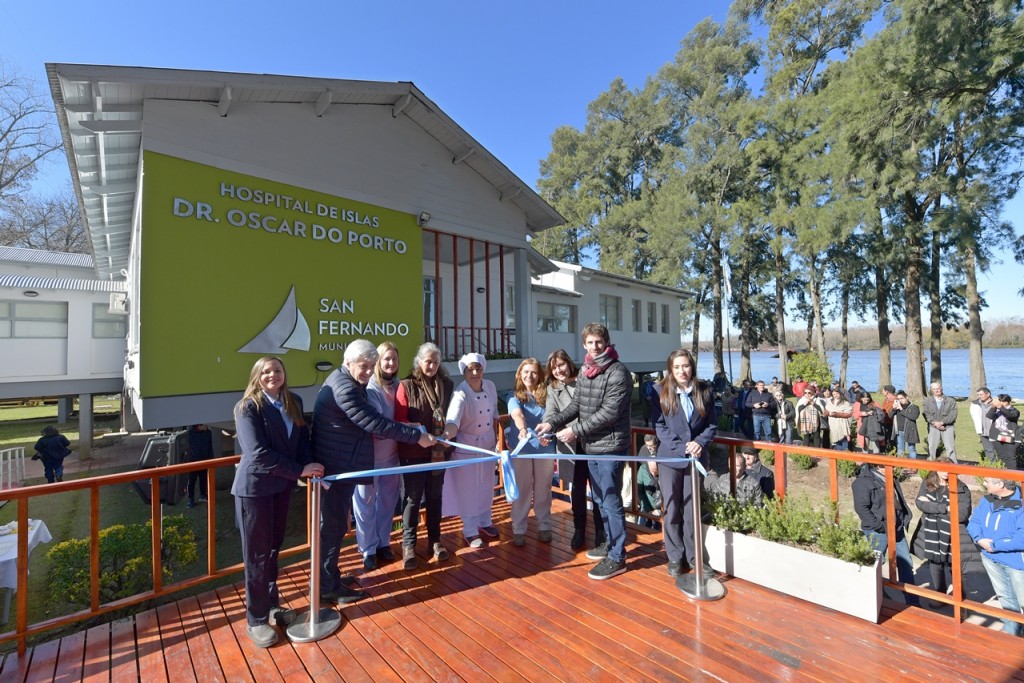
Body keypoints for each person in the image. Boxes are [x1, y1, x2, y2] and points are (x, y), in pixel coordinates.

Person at [312, 340, 431, 599]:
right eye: (363, 366)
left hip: (341, 464)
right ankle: (327, 588)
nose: (368, 371)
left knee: (335, 527)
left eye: (371, 366)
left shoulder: (345, 380)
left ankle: (329, 577)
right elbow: (375, 423)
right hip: (336, 468)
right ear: (348, 362)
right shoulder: (346, 388)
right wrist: (417, 436)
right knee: (332, 527)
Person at [231, 356, 324, 648]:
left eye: (278, 370)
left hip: (281, 488)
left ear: (285, 374)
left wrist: (310, 465)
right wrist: (299, 470)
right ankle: (256, 620)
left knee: (273, 549)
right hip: (255, 490)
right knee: (256, 556)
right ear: (257, 376)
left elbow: (301, 440)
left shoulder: (293, 402)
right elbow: (258, 453)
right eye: (266, 371)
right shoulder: (248, 407)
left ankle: (271, 606)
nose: (273, 375)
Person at [537, 323, 632, 581]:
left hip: (611, 447)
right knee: (600, 499)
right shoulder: (585, 371)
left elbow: (610, 413)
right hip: (592, 447)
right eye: (590, 342)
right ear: (584, 345)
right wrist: (551, 423)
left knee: (611, 501)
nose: (595, 346)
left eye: (599, 341)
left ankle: (617, 557)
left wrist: (575, 431)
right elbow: (576, 405)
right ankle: (609, 544)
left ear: (607, 342)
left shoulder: (618, 372)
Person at [650, 348, 717, 579]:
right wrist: (682, 448)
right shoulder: (659, 391)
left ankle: (694, 557)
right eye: (677, 367)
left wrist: (699, 443)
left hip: (696, 459)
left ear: (692, 367)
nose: (682, 371)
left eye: (685, 366)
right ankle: (675, 557)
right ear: (671, 369)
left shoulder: (705, 391)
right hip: (671, 458)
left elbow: (712, 425)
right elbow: (659, 426)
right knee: (672, 508)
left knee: (691, 510)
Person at [395, 342, 455, 569]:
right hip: (413, 451)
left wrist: (448, 433)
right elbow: (399, 419)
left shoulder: (446, 384)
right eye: (428, 361)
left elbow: (453, 415)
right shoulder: (406, 385)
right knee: (412, 498)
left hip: (438, 452)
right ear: (419, 362)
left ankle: (435, 540)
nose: (431, 366)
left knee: (435, 496)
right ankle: (408, 544)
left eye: (435, 362)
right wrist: (418, 433)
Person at [545, 349, 605, 550]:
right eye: (554, 368)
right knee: (577, 489)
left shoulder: (585, 378)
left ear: (569, 363)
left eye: (561, 365)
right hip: (571, 446)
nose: (558, 370)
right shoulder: (553, 389)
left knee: (598, 488)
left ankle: (601, 530)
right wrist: (550, 428)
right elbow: (550, 413)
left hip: (594, 441)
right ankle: (579, 529)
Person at [353, 342, 403, 570]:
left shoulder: (399, 385)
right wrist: (410, 429)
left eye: (394, 359)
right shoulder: (371, 387)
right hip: (368, 458)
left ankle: (383, 542)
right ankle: (367, 549)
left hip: (392, 456)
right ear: (378, 362)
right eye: (386, 359)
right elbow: (379, 425)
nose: (391, 363)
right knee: (365, 504)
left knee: (388, 502)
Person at [442, 352, 500, 548]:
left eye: (478, 368)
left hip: (488, 445)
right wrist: (447, 435)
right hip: (467, 447)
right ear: (464, 372)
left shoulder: (490, 386)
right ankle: (470, 530)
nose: (474, 373)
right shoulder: (460, 393)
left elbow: (494, 415)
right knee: (468, 489)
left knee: (486, 485)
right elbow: (453, 420)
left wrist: (496, 440)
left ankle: (485, 522)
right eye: (470, 370)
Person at [852, 462, 920, 606]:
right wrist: (879, 526)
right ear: (877, 467)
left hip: (897, 529)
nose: (893, 468)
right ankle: (876, 596)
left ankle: (913, 602)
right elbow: (861, 508)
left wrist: (903, 518)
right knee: (876, 564)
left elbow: (897, 500)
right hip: (879, 531)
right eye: (888, 466)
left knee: (906, 563)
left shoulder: (890, 478)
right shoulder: (862, 482)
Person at [507, 358, 556, 546]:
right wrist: (522, 429)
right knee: (523, 488)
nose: (530, 376)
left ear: (540, 375)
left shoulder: (548, 395)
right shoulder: (514, 396)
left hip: (545, 448)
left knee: (543, 488)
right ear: (520, 374)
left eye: (534, 372)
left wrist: (548, 434)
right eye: (526, 372)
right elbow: (517, 414)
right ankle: (519, 528)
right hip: (521, 449)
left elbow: (553, 417)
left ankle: (544, 525)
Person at [968, 476, 1024, 636]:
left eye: (987, 481)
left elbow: (1021, 538)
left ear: (1000, 484)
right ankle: (1012, 628)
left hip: (1016, 563)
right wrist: (979, 539)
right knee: (1005, 596)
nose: (984, 484)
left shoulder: (1020, 504)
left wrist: (994, 546)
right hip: (991, 559)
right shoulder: (987, 500)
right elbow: (974, 522)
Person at [911, 457, 971, 600]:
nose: (945, 473)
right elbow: (920, 503)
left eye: (949, 469)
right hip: (932, 531)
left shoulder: (961, 488)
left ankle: (960, 598)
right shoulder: (928, 483)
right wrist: (946, 508)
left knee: (954, 566)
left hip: (952, 533)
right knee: (935, 562)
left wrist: (932, 507)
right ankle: (940, 595)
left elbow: (962, 514)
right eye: (942, 469)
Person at [922, 382, 958, 461]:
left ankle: (953, 465)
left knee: (950, 448)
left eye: (938, 388)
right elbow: (926, 414)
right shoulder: (927, 401)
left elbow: (953, 415)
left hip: (948, 427)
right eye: (934, 389)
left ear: (941, 388)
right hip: (933, 427)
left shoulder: (951, 401)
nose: (936, 390)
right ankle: (930, 465)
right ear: (931, 390)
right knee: (931, 447)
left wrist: (942, 423)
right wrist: (936, 424)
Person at [986, 394, 1020, 470]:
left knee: (1010, 457)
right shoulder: (997, 411)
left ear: (1008, 402)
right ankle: (1003, 474)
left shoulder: (1014, 410)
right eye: (999, 401)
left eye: (1002, 401)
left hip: (1011, 438)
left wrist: (1000, 407)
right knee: (1001, 457)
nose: (1000, 403)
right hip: (997, 437)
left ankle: (1013, 475)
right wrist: (993, 407)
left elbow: (1010, 415)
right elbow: (989, 416)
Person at [637, 435, 663, 529]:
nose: (649, 448)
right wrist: (648, 510)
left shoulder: (662, 451)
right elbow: (639, 491)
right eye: (647, 445)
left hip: (662, 508)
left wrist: (660, 510)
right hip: (647, 505)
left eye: (651, 446)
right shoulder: (643, 468)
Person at [186, 424, 214, 508]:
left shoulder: (208, 433)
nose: (206, 426)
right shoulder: (190, 433)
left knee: (203, 478)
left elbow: (210, 447)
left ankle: (203, 495)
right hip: (192, 461)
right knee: (191, 481)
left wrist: (210, 460)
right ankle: (190, 499)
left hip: (204, 460)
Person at [889, 390, 922, 459]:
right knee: (900, 449)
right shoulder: (897, 408)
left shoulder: (914, 407)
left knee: (911, 449)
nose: (900, 400)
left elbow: (913, 417)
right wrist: (894, 409)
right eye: (898, 399)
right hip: (899, 431)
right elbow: (890, 416)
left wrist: (901, 409)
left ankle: (913, 464)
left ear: (906, 397)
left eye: (902, 398)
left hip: (910, 431)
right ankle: (900, 464)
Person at [970, 387, 997, 461]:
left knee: (999, 451)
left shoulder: (996, 403)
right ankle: (992, 465)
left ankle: (1001, 466)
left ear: (988, 394)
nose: (979, 396)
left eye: (981, 394)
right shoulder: (975, 404)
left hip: (995, 431)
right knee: (988, 450)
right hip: (983, 432)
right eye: (978, 395)